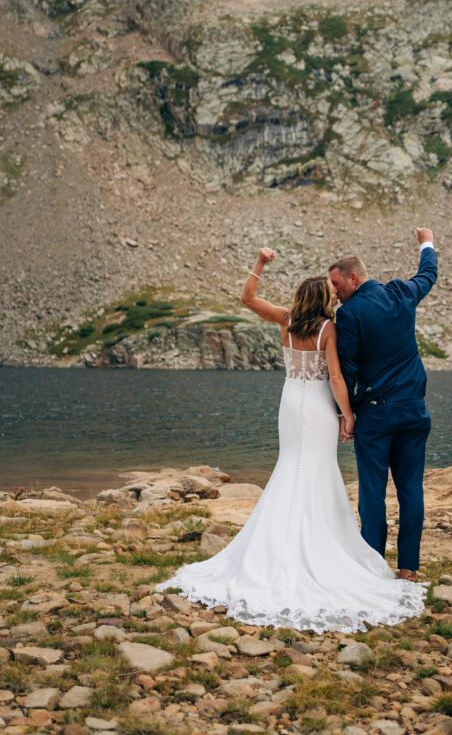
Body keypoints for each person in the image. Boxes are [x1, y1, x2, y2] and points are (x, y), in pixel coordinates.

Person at [156, 249, 426, 634]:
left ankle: (275, 544)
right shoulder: (328, 329)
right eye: (331, 293)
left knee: (290, 467)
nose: (336, 296)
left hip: (289, 404)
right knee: (317, 470)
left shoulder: (285, 321)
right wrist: (348, 415)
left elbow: (247, 298)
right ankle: (322, 545)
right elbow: (335, 379)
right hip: (316, 406)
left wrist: (261, 264)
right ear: (322, 300)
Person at [329, 228, 437, 582]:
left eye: (337, 284)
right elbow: (428, 274)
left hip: (375, 414)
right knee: (411, 489)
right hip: (413, 411)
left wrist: (346, 413)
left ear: (354, 278)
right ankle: (408, 568)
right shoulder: (401, 293)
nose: (334, 291)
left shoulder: (349, 315)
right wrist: (426, 242)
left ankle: (373, 565)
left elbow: (348, 368)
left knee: (372, 490)